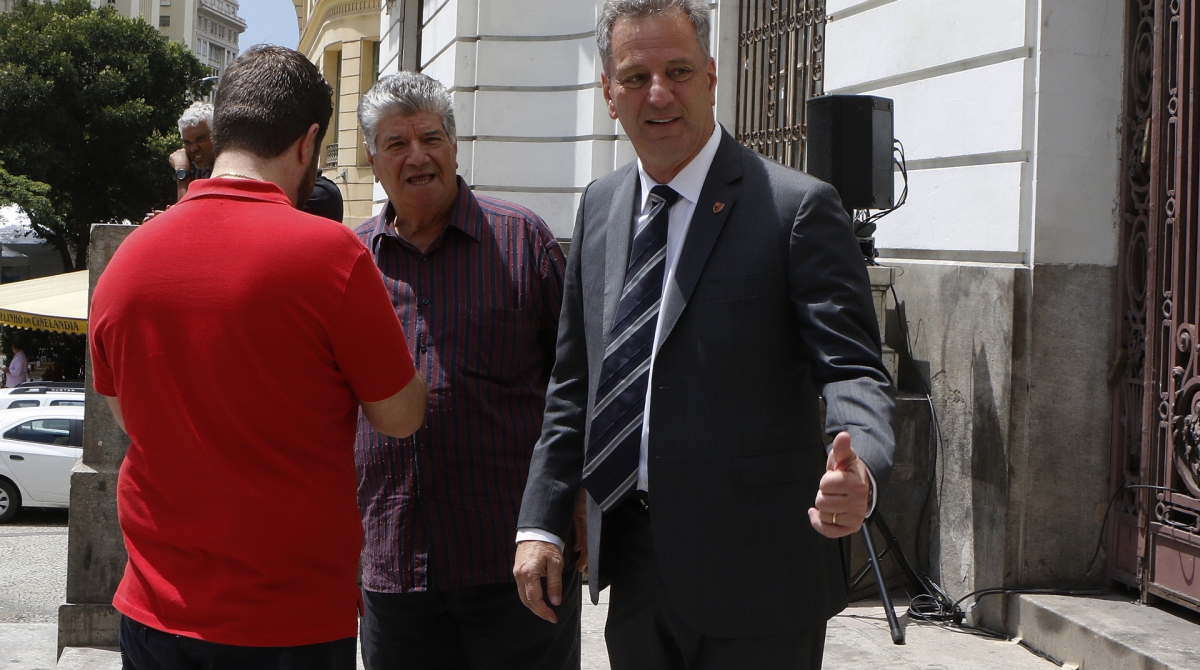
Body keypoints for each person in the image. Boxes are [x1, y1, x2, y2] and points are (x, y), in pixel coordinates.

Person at [513, 1, 896, 668]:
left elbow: (853, 370)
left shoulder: (796, 208)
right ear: (608, 93)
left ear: (712, 77)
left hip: (761, 578)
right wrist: (541, 520)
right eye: (634, 77)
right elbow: (575, 382)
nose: (658, 94)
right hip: (636, 568)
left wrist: (859, 464)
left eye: (679, 71)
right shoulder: (600, 207)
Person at [89, 46, 428, 669]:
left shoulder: (128, 260)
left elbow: (128, 417)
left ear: (221, 132)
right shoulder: (332, 256)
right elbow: (401, 417)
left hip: (155, 615)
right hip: (286, 620)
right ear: (309, 143)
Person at [352, 72, 578, 669]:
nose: (417, 156)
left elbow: (578, 387)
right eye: (397, 144)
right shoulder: (349, 265)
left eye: (430, 138)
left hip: (514, 563)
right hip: (394, 565)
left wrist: (573, 506)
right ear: (373, 161)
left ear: (454, 147)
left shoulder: (523, 241)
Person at [170, 101, 215, 201]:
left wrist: (182, 171)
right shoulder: (203, 171)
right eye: (187, 142)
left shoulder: (227, 171)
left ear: (217, 135)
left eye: (200, 139)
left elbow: (184, 214)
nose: (193, 148)